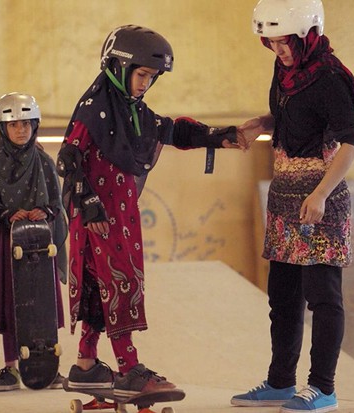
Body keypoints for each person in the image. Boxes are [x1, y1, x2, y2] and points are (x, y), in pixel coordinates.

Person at [56, 25, 239, 398]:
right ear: (118, 67)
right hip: (98, 215)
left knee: (98, 285)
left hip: (118, 215)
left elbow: (169, 131)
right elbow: (68, 157)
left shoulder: (131, 110)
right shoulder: (94, 109)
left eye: (151, 78)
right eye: (141, 75)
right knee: (120, 282)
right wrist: (87, 199)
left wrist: (219, 136)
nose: (145, 84)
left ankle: (86, 365)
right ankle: (128, 368)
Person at [231, 1, 354, 412]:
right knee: (283, 296)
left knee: (322, 297)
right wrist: (261, 122)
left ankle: (322, 388)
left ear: (308, 35)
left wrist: (321, 193)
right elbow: (294, 117)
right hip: (286, 197)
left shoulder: (329, 76)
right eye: (270, 43)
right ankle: (280, 382)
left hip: (320, 201)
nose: (280, 51)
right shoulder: (287, 70)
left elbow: (352, 139)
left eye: (286, 42)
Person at [0, 92, 68, 391]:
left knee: (41, 303)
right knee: (11, 304)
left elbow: (57, 203)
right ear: (3, 129)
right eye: (14, 125)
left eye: (27, 124)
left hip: (41, 248)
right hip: (9, 245)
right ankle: (10, 367)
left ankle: (47, 365)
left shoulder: (43, 161)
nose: (21, 130)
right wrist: (9, 214)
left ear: (35, 126)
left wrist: (42, 211)